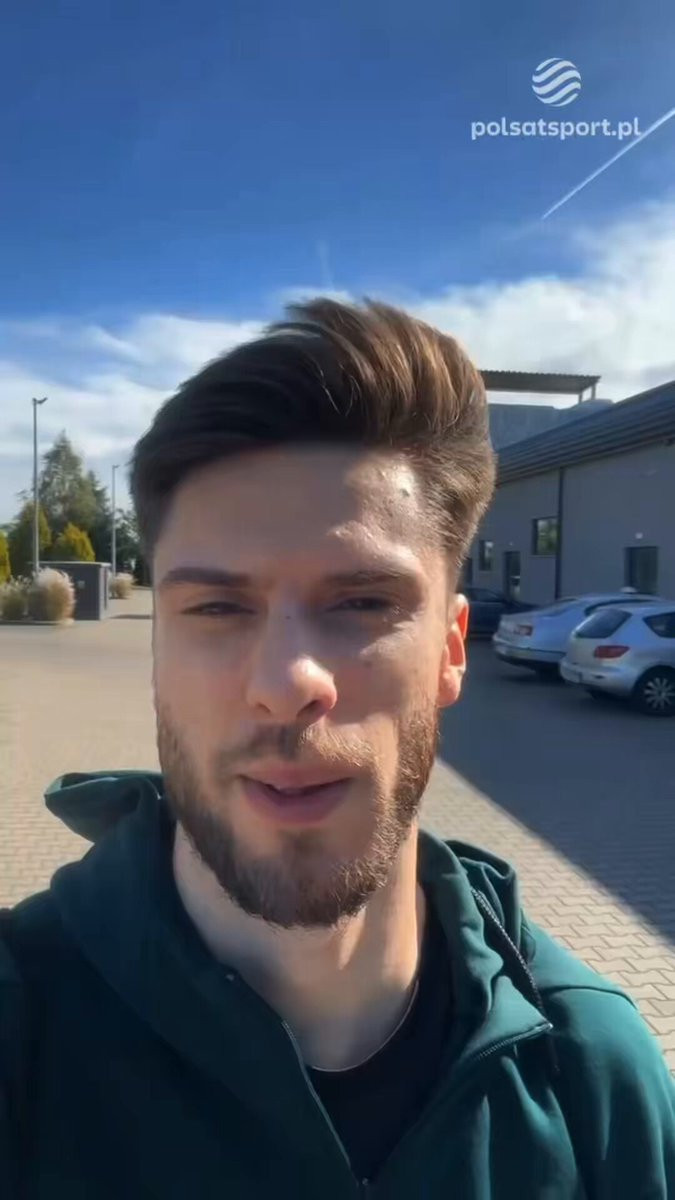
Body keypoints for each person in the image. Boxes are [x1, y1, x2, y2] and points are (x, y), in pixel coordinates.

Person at [1, 299, 673, 1199]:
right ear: (156, 646)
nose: (287, 682)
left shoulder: (594, 1081)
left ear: (451, 650)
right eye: (216, 607)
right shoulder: (21, 1037)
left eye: (362, 603)